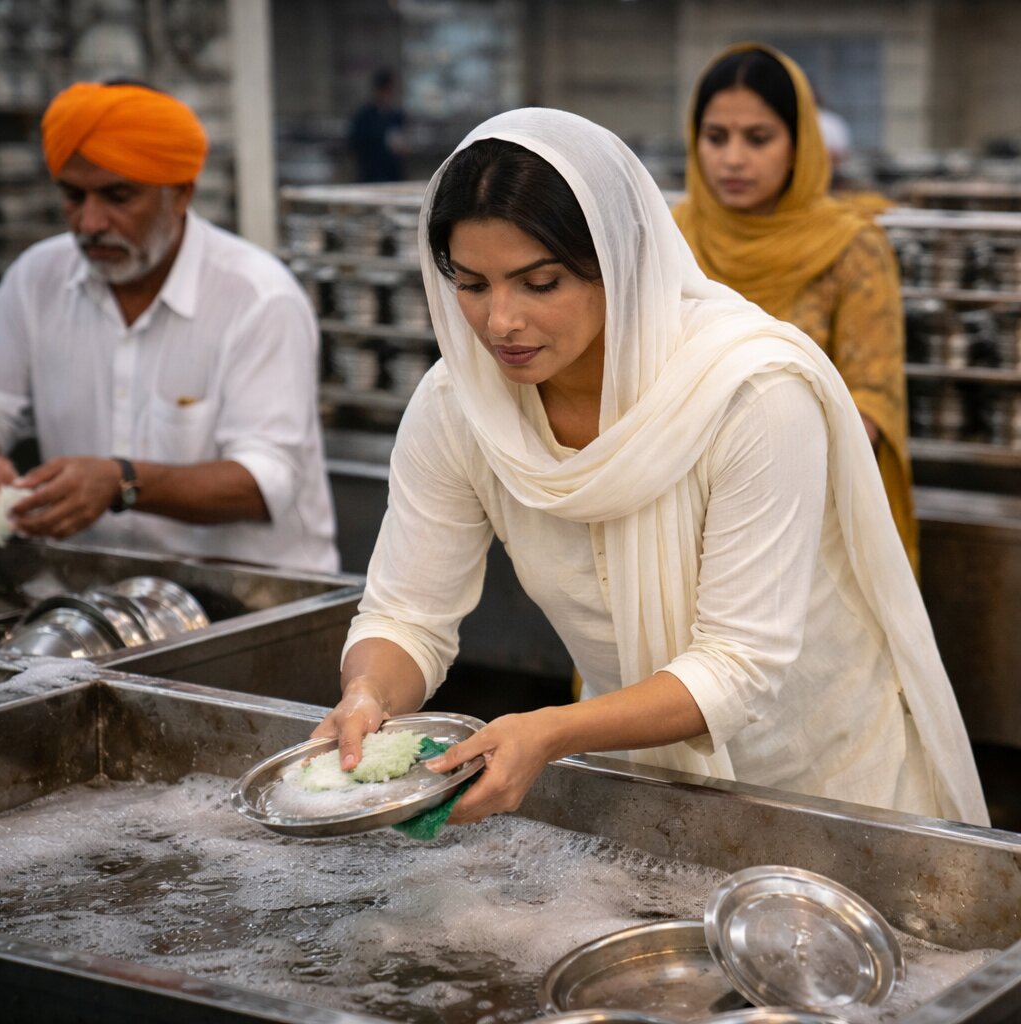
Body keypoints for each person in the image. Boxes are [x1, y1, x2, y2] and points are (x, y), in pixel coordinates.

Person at [311, 106, 987, 829]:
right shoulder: (459, 406)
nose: (500, 321)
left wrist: (552, 731)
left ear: (619, 263)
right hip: (645, 777)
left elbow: (738, 666)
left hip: (826, 781)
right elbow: (408, 613)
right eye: (471, 284)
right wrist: (368, 694)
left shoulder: (747, 394)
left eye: (539, 284)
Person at [0, 81, 338, 574]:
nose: (90, 222)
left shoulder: (259, 299)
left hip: (244, 601)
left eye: (118, 196)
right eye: (73, 196)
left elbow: (267, 483)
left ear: (180, 194)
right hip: (90, 593)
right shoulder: (35, 281)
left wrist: (123, 482)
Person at [672, 44, 918, 573]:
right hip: (672, 510)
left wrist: (765, 466)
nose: (733, 158)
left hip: (804, 522)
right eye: (716, 137)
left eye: (758, 138)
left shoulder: (851, 247)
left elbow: (871, 398)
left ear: (798, 144)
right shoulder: (671, 237)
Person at [348, 68, 407, 183]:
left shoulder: (396, 116)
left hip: (393, 175)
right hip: (371, 174)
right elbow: (355, 142)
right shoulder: (364, 116)